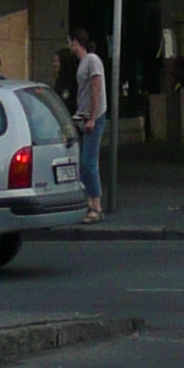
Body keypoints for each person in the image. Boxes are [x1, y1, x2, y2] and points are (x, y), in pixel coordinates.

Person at [69, 26, 108, 223]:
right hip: (83, 116)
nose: (70, 46)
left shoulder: (92, 60)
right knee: (84, 161)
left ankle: (96, 205)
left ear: (77, 42)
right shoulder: (83, 63)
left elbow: (96, 90)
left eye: (71, 42)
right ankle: (90, 202)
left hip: (93, 116)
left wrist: (92, 117)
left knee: (88, 161)